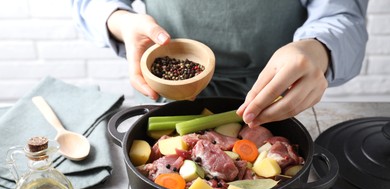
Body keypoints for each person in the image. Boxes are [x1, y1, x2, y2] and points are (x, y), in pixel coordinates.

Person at [71, 0, 368, 126]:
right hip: (167, 97)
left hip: (274, 100)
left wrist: (317, 49)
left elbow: (342, 13)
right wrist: (121, 21)